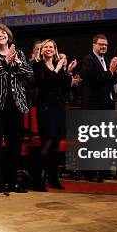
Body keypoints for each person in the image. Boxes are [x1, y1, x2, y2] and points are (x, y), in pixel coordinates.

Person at [0, 23, 33, 197]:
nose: (0, 35)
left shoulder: (20, 53)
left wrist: (17, 62)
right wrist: (5, 61)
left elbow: (30, 76)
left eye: (3, 32)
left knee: (14, 146)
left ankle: (12, 181)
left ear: (9, 36)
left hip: (15, 106)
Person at [31, 39, 78, 191]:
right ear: (41, 50)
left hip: (58, 108)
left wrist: (68, 72)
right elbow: (44, 86)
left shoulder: (58, 66)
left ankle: (53, 179)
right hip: (45, 109)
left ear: (55, 50)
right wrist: (57, 69)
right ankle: (38, 180)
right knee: (47, 142)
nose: (49, 49)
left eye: (51, 47)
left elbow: (64, 88)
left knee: (56, 144)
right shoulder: (38, 66)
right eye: (46, 47)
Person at [80, 34, 117, 181]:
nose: (103, 47)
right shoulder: (88, 60)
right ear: (94, 45)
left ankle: (105, 171)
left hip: (107, 105)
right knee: (93, 142)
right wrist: (111, 71)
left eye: (105, 45)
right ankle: (91, 173)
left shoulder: (106, 60)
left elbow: (111, 81)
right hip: (93, 107)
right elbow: (94, 80)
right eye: (101, 44)